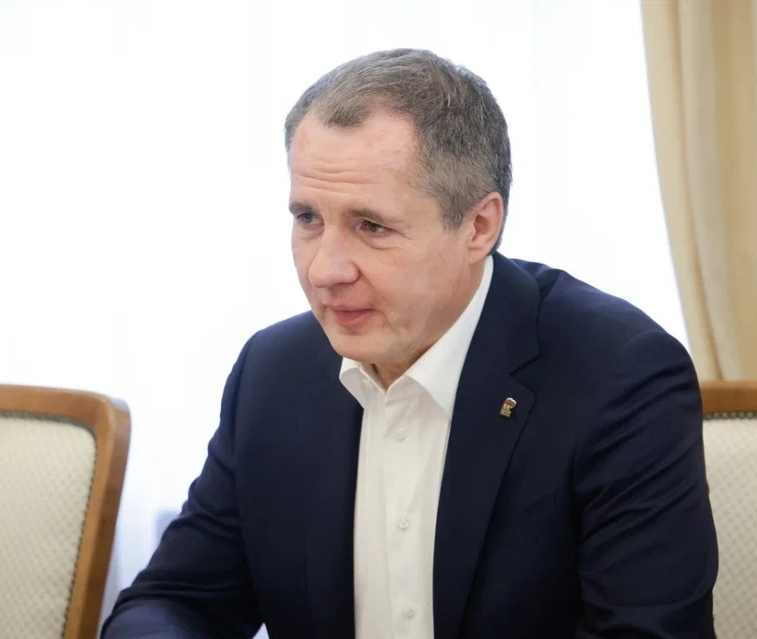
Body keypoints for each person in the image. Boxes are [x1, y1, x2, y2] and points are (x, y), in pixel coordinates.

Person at [102, 48, 718, 639]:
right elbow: (173, 602)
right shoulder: (273, 372)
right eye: (308, 218)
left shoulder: (618, 377)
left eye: (371, 226)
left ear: (479, 226)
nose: (324, 270)